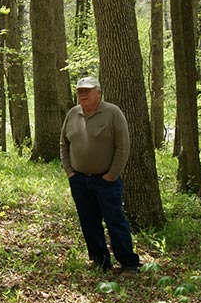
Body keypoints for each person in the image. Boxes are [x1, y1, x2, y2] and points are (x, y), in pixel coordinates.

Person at [60, 76, 141, 277]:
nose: (82, 94)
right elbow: (63, 144)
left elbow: (122, 146)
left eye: (87, 90)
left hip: (106, 181)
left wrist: (112, 174)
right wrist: (69, 171)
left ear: (99, 92)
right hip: (79, 180)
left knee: (115, 221)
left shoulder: (112, 113)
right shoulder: (73, 114)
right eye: (79, 91)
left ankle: (129, 263)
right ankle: (100, 261)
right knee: (88, 221)